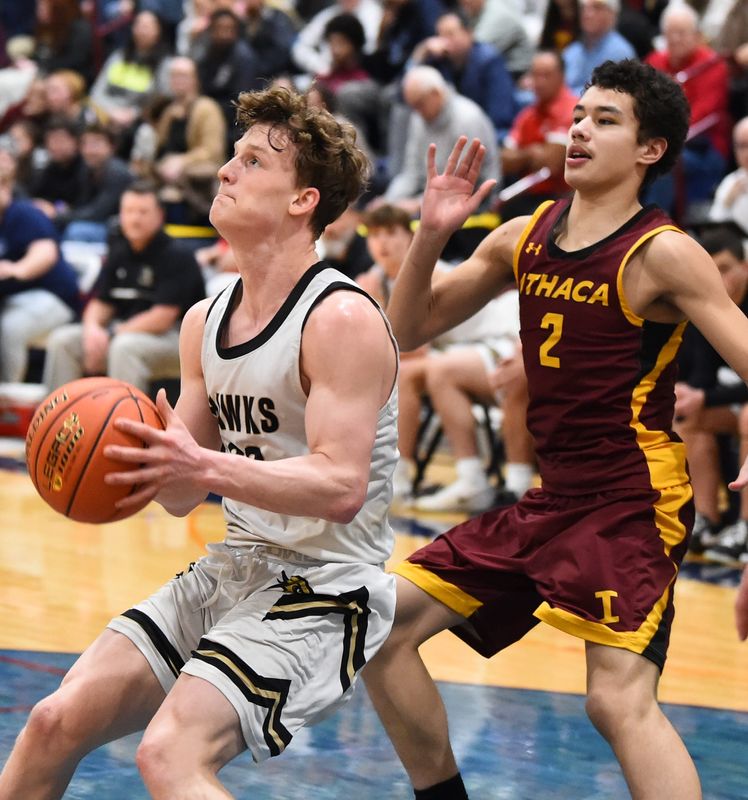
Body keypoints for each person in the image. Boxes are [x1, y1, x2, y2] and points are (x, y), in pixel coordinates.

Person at [362, 58, 748, 800]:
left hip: (634, 499)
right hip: (553, 497)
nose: (580, 131)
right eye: (578, 117)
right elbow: (406, 329)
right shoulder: (523, 235)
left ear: (651, 150)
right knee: (381, 627)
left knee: (616, 700)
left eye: (606, 120)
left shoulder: (662, 252)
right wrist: (429, 235)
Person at [0, 86, 399, 799]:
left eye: (252, 161)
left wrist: (200, 463)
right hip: (237, 564)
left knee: (170, 756)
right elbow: (183, 496)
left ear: (303, 199)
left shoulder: (340, 318)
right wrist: (137, 463)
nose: (225, 170)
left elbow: (342, 487)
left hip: (326, 586)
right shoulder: (203, 322)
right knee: (53, 722)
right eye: (232, 156)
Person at [42, 181, 205, 394]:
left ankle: (125, 415)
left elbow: (162, 318)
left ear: (160, 216)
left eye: (143, 212)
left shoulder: (177, 255)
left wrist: (110, 334)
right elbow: (101, 302)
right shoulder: (119, 251)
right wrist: (92, 331)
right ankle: (58, 413)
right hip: (124, 331)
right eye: (128, 211)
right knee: (63, 340)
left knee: (124, 347)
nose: (135, 219)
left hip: (177, 339)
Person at [672, 224, 748, 556]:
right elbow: (702, 378)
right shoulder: (705, 309)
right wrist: (688, 394)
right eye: (713, 271)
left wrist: (705, 396)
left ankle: (745, 528)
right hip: (733, 403)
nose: (721, 279)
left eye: (726, 269)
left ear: (745, 266)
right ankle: (706, 518)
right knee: (687, 417)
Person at [380, 65, 499, 216]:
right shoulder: (418, 118)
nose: (417, 112)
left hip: (474, 205)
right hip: (429, 196)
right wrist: (388, 202)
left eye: (419, 104)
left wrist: (417, 204)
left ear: (435, 93)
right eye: (413, 106)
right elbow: (412, 172)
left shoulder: (468, 118)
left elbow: (461, 186)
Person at [0, 161, 79, 382]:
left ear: (6, 187)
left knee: (11, 327)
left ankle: (9, 392)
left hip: (54, 297)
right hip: (15, 299)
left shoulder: (23, 213)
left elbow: (45, 253)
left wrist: (17, 269)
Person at [500, 49, 577, 219]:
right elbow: (504, 161)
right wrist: (531, 153)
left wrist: (522, 157)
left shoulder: (573, 110)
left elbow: (552, 162)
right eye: (536, 75)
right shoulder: (527, 115)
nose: (539, 82)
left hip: (563, 197)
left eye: (546, 75)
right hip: (528, 195)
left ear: (561, 76)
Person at [562, 0, 635, 97]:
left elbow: (602, 95)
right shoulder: (573, 50)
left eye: (597, 8)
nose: (588, 14)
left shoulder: (620, 52)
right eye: (584, 8)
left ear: (612, 14)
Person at [709, 116, 748, 234]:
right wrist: (727, 202)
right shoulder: (730, 182)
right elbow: (714, 226)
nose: (746, 153)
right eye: (741, 146)